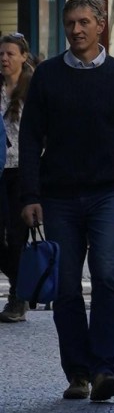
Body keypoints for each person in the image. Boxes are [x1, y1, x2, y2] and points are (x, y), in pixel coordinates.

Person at [16, 0, 114, 403]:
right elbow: (29, 139)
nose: (76, 30)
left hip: (109, 194)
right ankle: (77, 372)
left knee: (108, 277)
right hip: (58, 196)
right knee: (65, 287)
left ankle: (103, 370)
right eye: (70, 23)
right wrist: (30, 195)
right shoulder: (47, 76)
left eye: (83, 22)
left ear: (100, 27)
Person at [0, 31, 30, 321]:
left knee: (17, 235)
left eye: (10, 53)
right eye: (1, 54)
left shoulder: (32, 89)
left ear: (23, 57)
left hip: (23, 171)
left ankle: (17, 297)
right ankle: (22, 284)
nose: (5, 58)